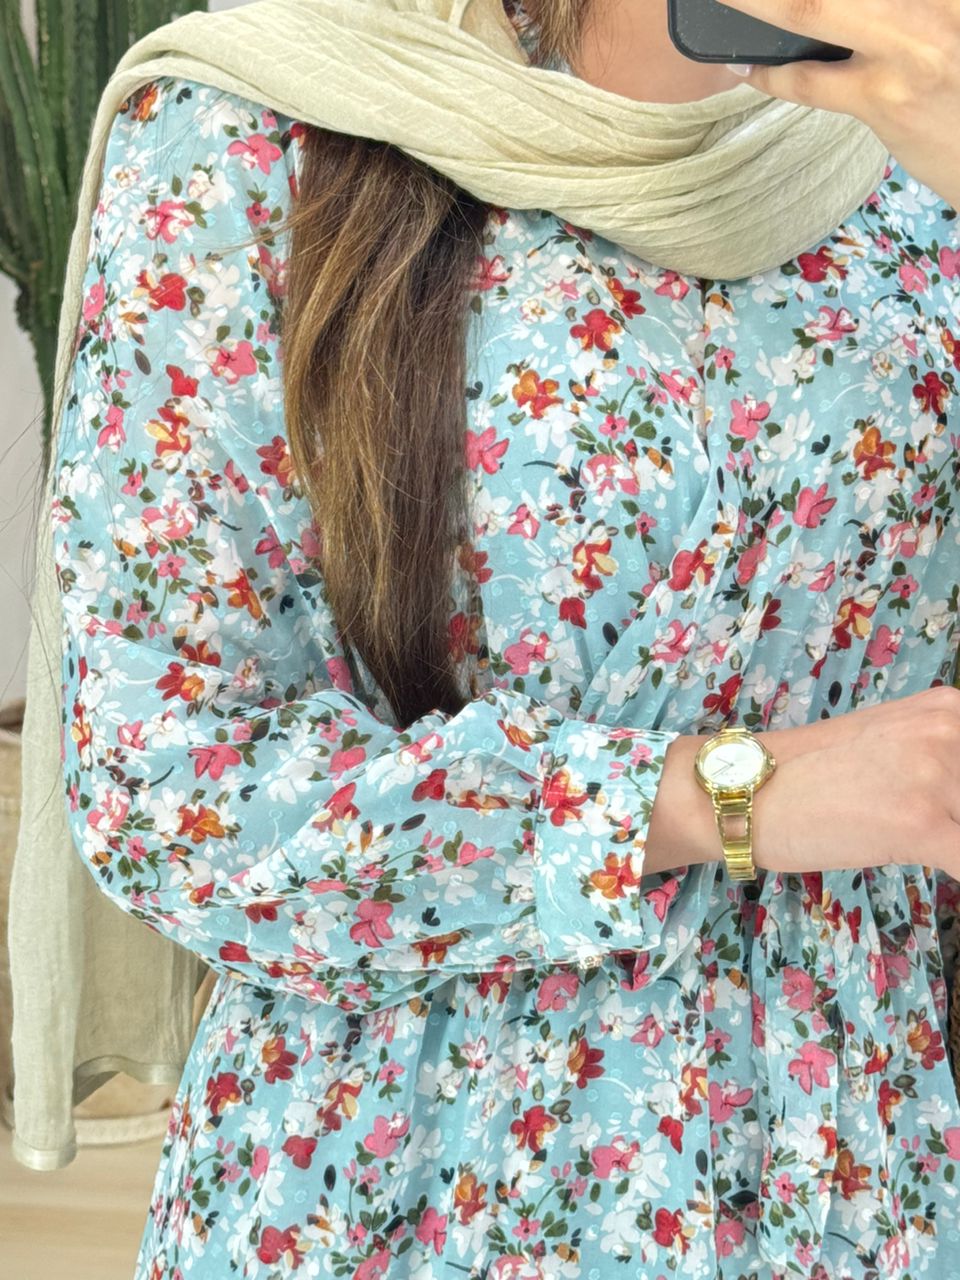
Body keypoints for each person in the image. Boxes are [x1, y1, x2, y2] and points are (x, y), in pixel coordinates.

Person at [44, 0, 960, 1275]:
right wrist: (723, 796)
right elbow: (167, 783)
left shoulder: (924, 154)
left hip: (848, 1171)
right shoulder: (264, 130)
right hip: (405, 1174)